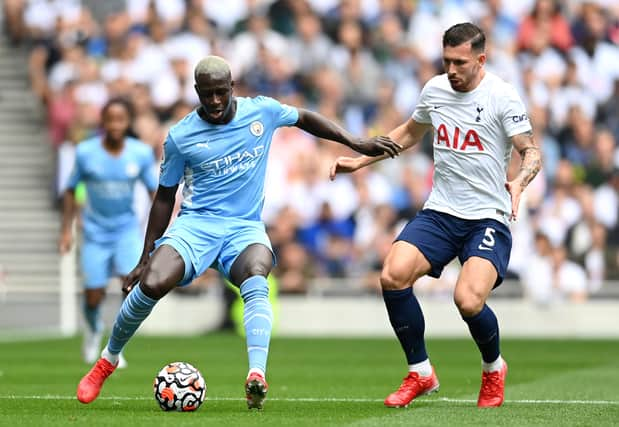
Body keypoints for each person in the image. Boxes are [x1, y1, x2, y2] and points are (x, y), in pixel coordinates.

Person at [75, 55, 401, 409]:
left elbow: (305, 117)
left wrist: (355, 143)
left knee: (257, 273)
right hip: (196, 226)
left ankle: (256, 376)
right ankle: (107, 360)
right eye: (207, 95)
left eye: (220, 93)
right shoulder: (180, 136)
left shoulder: (261, 111)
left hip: (243, 228)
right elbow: (164, 197)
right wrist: (145, 256)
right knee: (151, 282)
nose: (214, 102)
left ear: (232, 87)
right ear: (197, 92)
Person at [329, 23, 541, 408]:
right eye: (446, 61)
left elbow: (531, 151)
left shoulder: (502, 96)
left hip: (487, 216)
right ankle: (421, 372)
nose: (452, 70)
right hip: (441, 211)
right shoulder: (435, 90)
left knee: (468, 300)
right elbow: (410, 133)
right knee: (392, 275)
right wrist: (361, 161)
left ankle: (494, 368)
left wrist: (520, 182)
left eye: (460, 62)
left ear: (481, 59)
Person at [59, 97, 158, 367]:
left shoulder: (139, 153)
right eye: (110, 119)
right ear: (103, 122)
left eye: (120, 119)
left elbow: (155, 193)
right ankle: (92, 331)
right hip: (94, 233)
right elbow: (70, 190)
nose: (115, 124)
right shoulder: (86, 152)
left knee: (130, 290)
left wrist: (164, 227)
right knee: (93, 294)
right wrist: (66, 231)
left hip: (125, 232)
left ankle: (115, 347)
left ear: (127, 123)